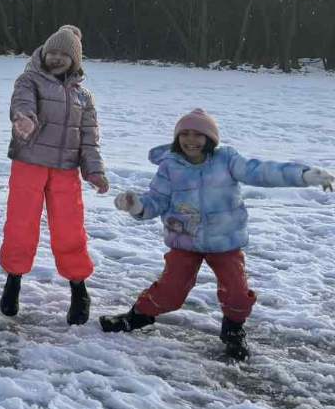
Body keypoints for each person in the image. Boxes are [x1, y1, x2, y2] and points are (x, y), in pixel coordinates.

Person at [99, 108, 333, 360]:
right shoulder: (170, 166)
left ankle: (233, 329)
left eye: (198, 134)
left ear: (210, 138)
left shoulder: (227, 160)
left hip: (224, 241)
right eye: (184, 134)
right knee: (170, 291)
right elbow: (156, 200)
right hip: (185, 241)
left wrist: (303, 175)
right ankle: (137, 316)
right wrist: (136, 206)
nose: (190, 140)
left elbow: (261, 171)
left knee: (237, 294)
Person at [0, 24, 108, 325]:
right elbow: (22, 102)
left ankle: (78, 288)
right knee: (21, 225)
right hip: (29, 164)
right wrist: (24, 119)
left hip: (65, 171)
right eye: (52, 53)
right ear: (43, 54)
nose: (57, 58)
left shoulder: (83, 96)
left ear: (75, 60)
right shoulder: (29, 80)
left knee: (70, 230)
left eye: (64, 54)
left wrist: (94, 171)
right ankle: (13, 280)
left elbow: (89, 139)